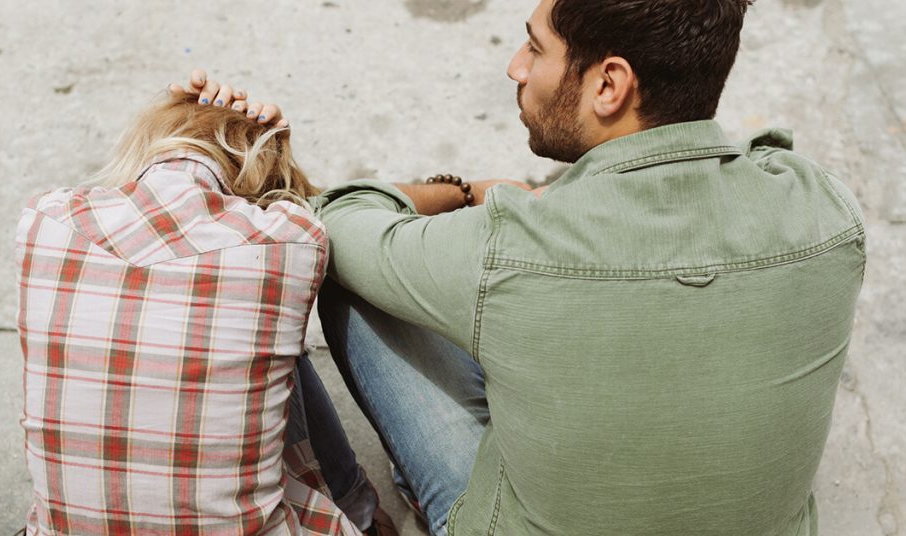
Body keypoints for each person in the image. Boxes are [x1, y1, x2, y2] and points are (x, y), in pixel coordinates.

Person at [187, 0, 867, 534]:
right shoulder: (826, 210)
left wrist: (463, 193)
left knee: (360, 284)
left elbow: (334, 218)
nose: (516, 67)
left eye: (536, 48)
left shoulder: (510, 244)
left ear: (609, 84)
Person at [14, 93, 397, 535]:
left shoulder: (46, 222)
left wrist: (183, 114)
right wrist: (269, 145)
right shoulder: (289, 241)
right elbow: (318, 215)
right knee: (265, 338)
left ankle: (358, 507)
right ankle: (361, 512)